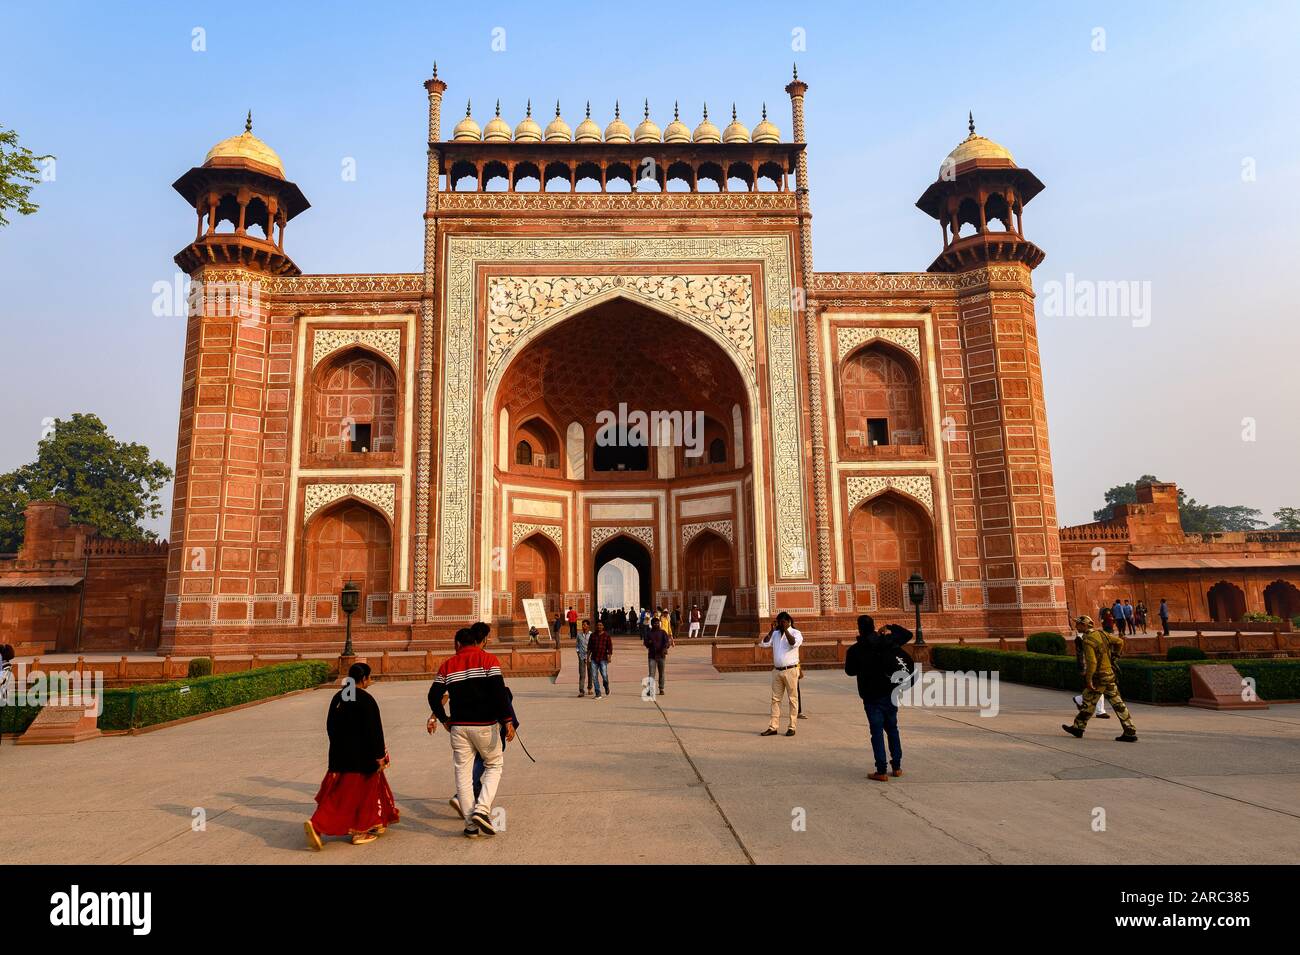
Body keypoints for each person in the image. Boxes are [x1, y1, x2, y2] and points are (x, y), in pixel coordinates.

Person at [429, 627, 516, 838]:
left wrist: (443, 719)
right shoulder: (488, 661)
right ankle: (482, 809)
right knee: (494, 765)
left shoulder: (448, 665)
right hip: (485, 724)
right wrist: (508, 721)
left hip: (459, 726)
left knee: (463, 774)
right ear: (480, 641)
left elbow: (433, 696)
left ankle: (470, 825)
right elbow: (499, 693)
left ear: (458, 644)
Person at [304, 662, 399, 850]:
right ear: (364, 679)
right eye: (369, 678)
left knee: (343, 793)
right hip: (361, 759)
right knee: (351, 797)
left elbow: (330, 727)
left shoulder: (339, 697)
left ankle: (374, 822)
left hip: (340, 756)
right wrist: (379, 755)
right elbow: (374, 731)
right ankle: (324, 826)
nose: (370, 681)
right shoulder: (366, 699)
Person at [843, 615, 914, 781]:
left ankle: (881, 770)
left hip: (871, 696)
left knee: (876, 732)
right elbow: (907, 634)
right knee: (892, 729)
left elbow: (850, 671)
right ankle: (896, 767)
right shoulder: (885, 641)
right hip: (889, 693)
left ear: (859, 628)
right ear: (874, 626)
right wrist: (889, 626)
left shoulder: (856, 649)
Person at [1062, 615, 1138, 742]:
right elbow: (1120, 642)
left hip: (1099, 677)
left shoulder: (1087, 640)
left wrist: (1089, 679)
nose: (1076, 626)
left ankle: (1078, 727)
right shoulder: (1102, 634)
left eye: (1079, 625)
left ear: (1085, 625)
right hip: (1109, 674)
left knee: (1089, 701)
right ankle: (1129, 730)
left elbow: (1092, 662)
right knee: (1116, 703)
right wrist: (1115, 656)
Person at [758, 611, 803, 737]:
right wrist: (772, 631)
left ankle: (792, 727)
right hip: (777, 671)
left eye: (783, 622)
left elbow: (793, 643)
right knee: (775, 699)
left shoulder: (796, 633)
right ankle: (773, 726)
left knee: (792, 699)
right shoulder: (776, 634)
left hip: (791, 670)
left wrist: (786, 630)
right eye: (779, 622)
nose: (781, 624)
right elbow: (764, 643)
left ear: (789, 621)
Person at [1070, 617, 1108, 719]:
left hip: (1097, 665)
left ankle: (1080, 700)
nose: (1076, 627)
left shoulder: (1091, 635)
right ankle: (1100, 711)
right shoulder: (1080, 638)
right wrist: (1083, 668)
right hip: (1089, 666)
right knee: (1097, 687)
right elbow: (1080, 655)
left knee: (1097, 687)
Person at [644, 615, 670, 696]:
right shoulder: (649, 633)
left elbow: (667, 642)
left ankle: (661, 688)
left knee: (661, 673)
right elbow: (646, 643)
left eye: (658, 623)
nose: (656, 624)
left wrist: (665, 647)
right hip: (652, 656)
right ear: (652, 624)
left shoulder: (663, 632)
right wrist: (649, 643)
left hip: (661, 656)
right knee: (651, 674)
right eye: (655, 623)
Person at [589, 620, 613, 699]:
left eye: (600, 625)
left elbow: (610, 647)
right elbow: (589, 647)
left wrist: (609, 657)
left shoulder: (606, 636)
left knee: (604, 675)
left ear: (603, 627)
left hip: (603, 658)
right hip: (594, 658)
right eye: (598, 625)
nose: (599, 627)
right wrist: (587, 657)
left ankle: (606, 685)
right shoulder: (592, 635)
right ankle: (598, 693)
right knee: (594, 676)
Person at [575, 618, 592, 697]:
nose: (583, 626)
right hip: (581, 656)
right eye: (582, 625)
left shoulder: (591, 635)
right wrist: (578, 653)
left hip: (590, 657)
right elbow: (577, 645)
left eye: (585, 625)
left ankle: (589, 688)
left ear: (588, 626)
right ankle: (581, 690)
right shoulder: (579, 634)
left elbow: (593, 645)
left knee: (590, 673)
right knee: (582, 674)